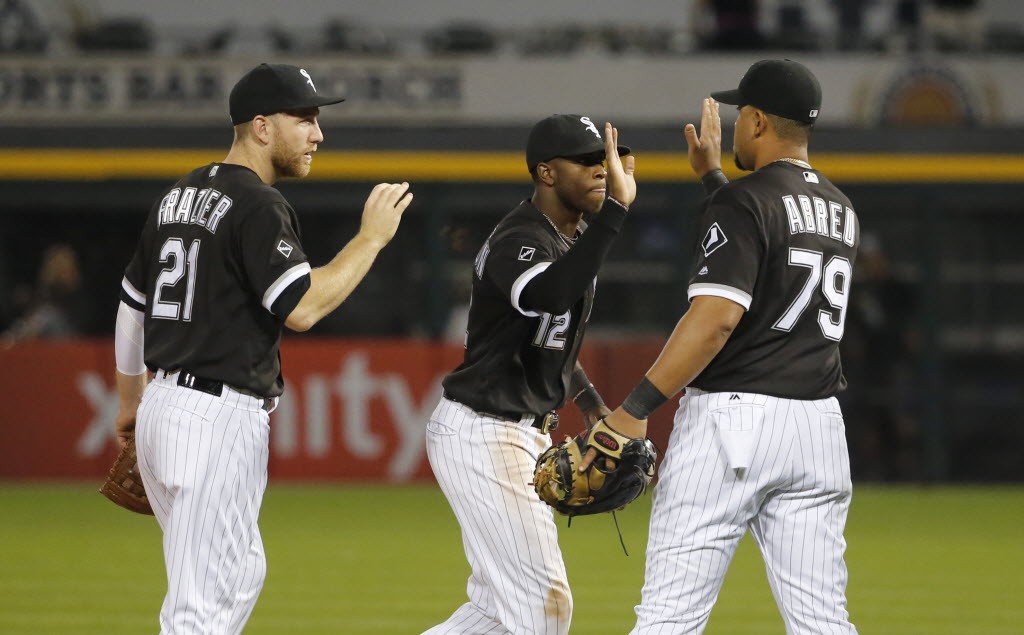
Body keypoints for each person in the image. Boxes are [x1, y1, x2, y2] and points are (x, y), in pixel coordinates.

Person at [112, 63, 412, 634]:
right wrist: (370, 240)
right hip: (214, 417)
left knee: (238, 572)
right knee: (201, 605)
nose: (318, 134)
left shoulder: (177, 195)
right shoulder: (257, 204)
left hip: (165, 409)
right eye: (305, 119)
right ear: (261, 127)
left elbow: (132, 303)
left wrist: (130, 403)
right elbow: (301, 307)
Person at [596, 59, 861, 633]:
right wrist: (714, 179)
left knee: (669, 616)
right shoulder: (841, 209)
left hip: (735, 424)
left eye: (743, 114)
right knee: (822, 621)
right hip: (818, 430)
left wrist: (634, 409)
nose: (737, 125)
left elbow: (716, 319)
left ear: (760, 122)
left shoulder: (744, 202)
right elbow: (777, 247)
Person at [423, 114, 635, 635]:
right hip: (484, 430)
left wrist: (589, 404)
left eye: (602, 158)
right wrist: (616, 212)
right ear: (545, 172)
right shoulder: (517, 241)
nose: (600, 169)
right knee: (546, 603)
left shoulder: (569, 241)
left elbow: (551, 337)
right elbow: (547, 297)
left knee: (495, 614)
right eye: (585, 161)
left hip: (512, 431)